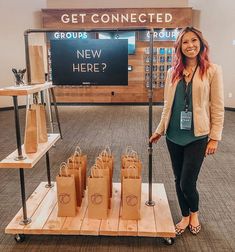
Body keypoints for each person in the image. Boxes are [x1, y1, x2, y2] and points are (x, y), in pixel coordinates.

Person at [150, 27, 224, 236]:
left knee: (187, 181)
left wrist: (214, 138)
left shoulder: (212, 70)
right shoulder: (172, 72)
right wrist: (159, 130)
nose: (190, 45)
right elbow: (167, 105)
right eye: (185, 42)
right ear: (179, 47)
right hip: (173, 135)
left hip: (197, 136)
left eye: (194, 41)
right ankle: (184, 216)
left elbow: (217, 107)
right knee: (177, 178)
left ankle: (195, 212)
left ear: (201, 43)